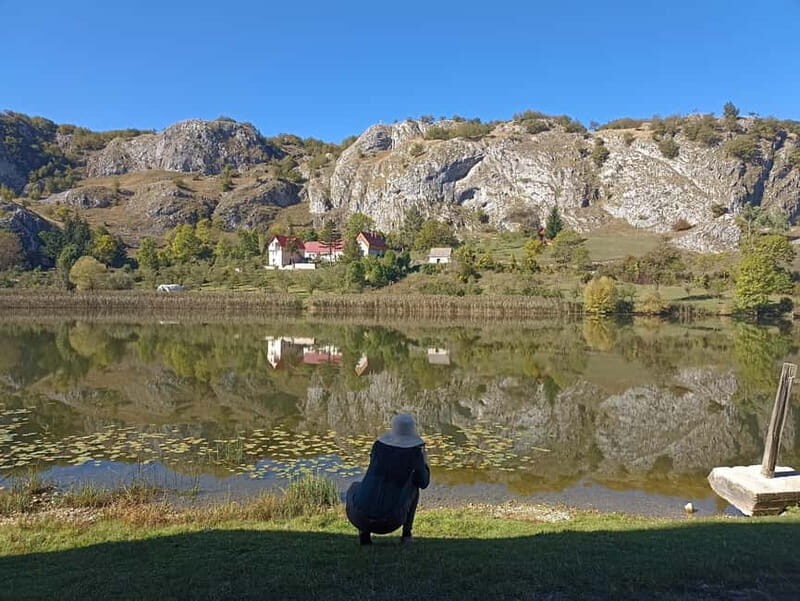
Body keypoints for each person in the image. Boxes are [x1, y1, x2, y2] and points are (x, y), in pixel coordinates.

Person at [345, 413, 430, 545]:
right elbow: (423, 483)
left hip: (357, 517)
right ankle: (406, 536)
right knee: (414, 486)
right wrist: (424, 461)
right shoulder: (414, 454)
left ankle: (364, 535)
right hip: (390, 522)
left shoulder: (378, 447)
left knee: (355, 485)